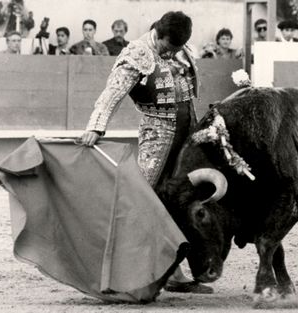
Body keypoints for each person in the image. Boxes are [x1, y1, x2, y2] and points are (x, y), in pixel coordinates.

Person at [80, 11, 212, 294]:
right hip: (158, 135)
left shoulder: (180, 46)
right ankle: (120, 275)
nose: (174, 52)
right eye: (170, 47)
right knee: (142, 201)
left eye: (179, 47)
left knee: (182, 200)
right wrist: (96, 127)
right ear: (159, 34)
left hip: (188, 134)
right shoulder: (138, 53)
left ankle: (174, 272)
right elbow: (112, 93)